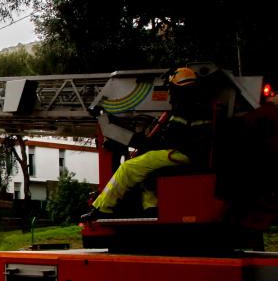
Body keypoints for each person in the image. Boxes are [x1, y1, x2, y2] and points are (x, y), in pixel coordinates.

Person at [82, 66, 213, 221]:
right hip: (186, 153)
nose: (170, 94)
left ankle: (103, 208)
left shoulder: (185, 109)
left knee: (129, 167)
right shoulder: (194, 106)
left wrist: (140, 141)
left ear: (177, 88)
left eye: (171, 89)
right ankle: (151, 209)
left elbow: (169, 140)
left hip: (183, 153)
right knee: (146, 171)